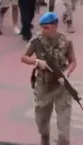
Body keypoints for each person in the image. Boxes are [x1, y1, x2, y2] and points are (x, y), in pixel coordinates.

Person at [20, 12, 76, 145]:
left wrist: (67, 72)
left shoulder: (66, 41)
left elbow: (73, 61)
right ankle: (45, 139)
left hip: (62, 87)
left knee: (64, 131)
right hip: (43, 87)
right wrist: (37, 62)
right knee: (42, 123)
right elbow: (24, 57)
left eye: (46, 27)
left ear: (55, 26)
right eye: (42, 28)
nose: (43, 31)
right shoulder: (36, 41)